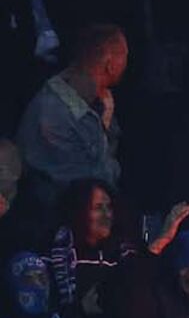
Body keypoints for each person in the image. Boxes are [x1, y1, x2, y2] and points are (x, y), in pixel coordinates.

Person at [13, 24, 125, 202]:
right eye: (124, 55)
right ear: (110, 65)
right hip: (57, 216)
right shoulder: (54, 118)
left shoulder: (95, 98)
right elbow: (98, 186)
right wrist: (104, 124)